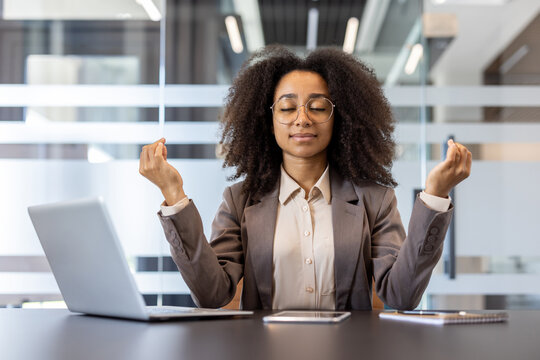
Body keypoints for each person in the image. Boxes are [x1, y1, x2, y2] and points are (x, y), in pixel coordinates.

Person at [139, 46, 471, 310]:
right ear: (267, 121)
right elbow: (212, 294)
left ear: (339, 117)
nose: (302, 119)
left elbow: (401, 296)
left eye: (318, 106)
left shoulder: (375, 199)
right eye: (287, 108)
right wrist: (173, 193)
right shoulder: (239, 200)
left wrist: (436, 194)